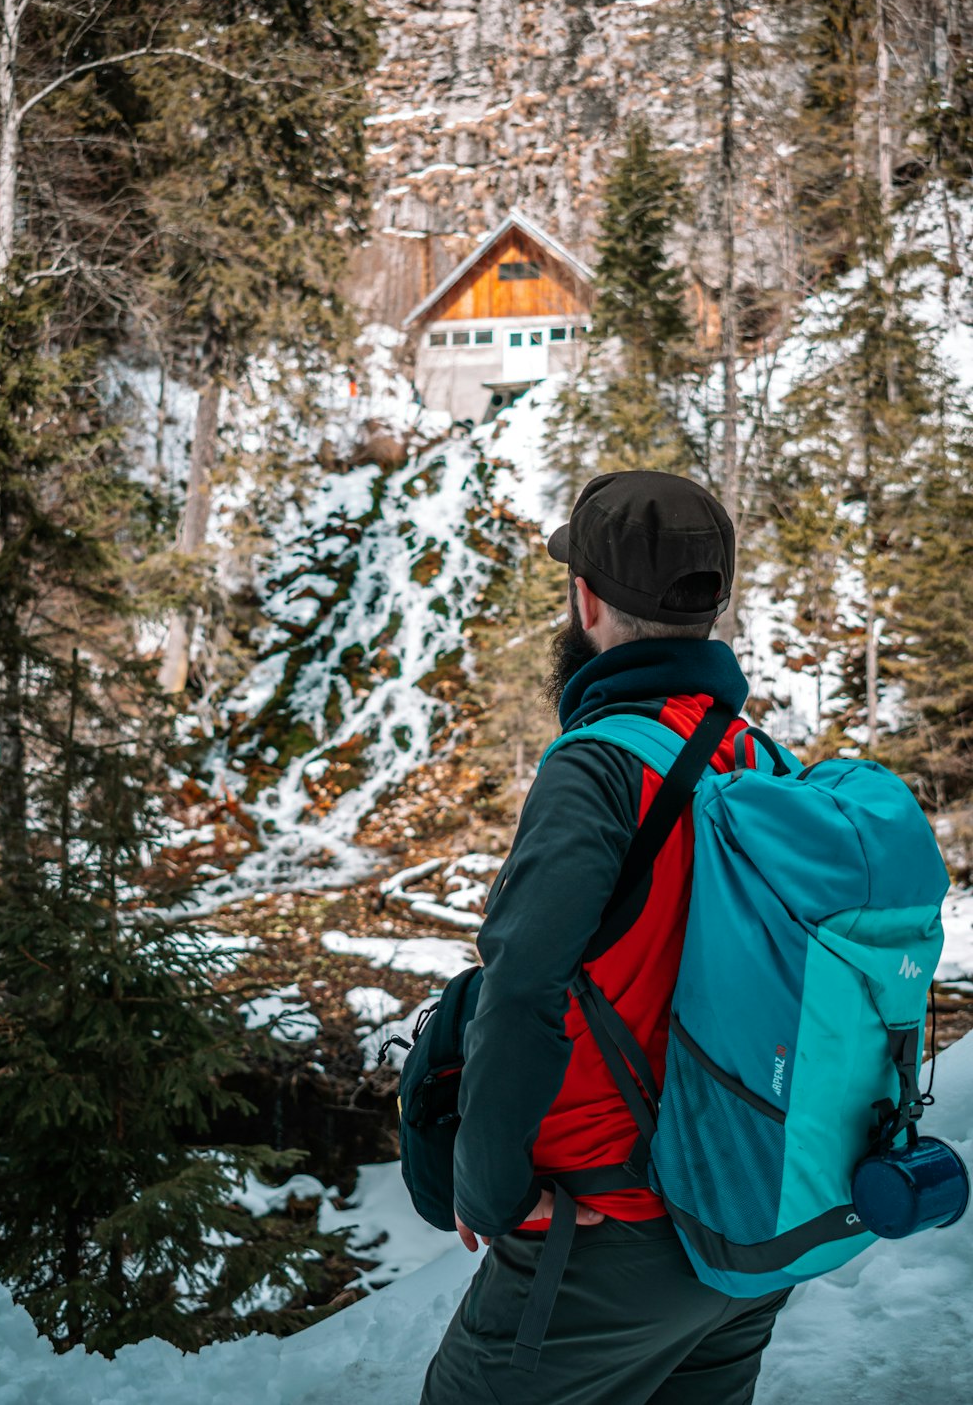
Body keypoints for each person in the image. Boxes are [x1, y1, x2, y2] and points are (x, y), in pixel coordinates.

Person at [420, 471, 791, 1405]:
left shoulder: (598, 768)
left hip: (611, 1228)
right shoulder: (763, 762)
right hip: (750, 1222)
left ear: (585, 600)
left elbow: (519, 989)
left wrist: (492, 1188)